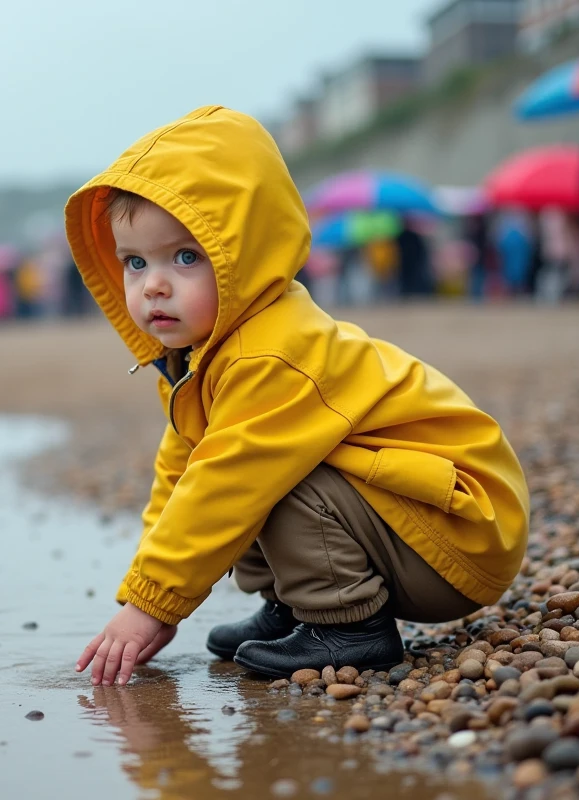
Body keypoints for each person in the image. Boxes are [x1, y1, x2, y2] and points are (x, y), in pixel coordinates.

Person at [66, 107, 530, 685]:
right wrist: (143, 593)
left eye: (186, 257)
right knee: (225, 468)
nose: (153, 284)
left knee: (253, 475)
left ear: (245, 252)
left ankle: (347, 624)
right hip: (409, 518)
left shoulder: (271, 353)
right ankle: (294, 605)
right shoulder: (203, 354)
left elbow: (225, 485)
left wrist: (152, 608)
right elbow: (180, 477)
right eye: (135, 262)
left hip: (457, 534)